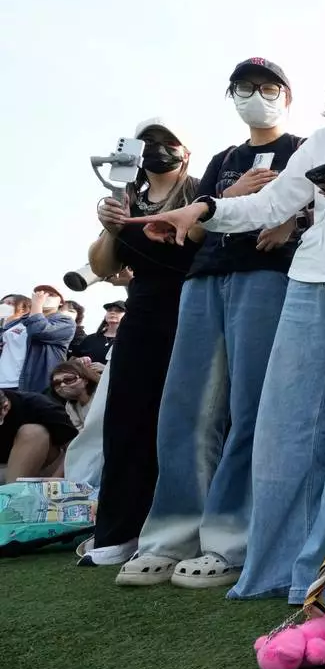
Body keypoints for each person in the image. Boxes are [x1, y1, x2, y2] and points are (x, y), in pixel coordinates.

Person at [132, 34, 325, 605]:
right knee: (282, 428)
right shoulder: (320, 139)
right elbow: (269, 207)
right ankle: (273, 565)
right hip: (307, 282)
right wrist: (204, 208)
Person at [116, 58, 305, 590]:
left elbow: (323, 204)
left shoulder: (303, 147)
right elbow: (197, 232)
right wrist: (220, 201)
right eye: (244, 88)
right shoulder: (224, 158)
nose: (257, 96)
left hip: (268, 277)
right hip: (202, 281)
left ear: (287, 97)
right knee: (184, 409)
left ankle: (230, 539)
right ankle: (170, 535)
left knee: (251, 408)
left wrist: (288, 217)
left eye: (269, 87)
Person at [80, 118, 200, 567]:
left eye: (167, 142)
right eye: (147, 142)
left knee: (188, 424)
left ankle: (184, 529)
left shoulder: (202, 192)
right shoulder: (123, 199)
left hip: (196, 312)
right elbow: (102, 264)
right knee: (126, 422)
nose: (157, 149)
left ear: (186, 150)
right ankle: (118, 532)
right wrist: (111, 226)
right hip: (143, 316)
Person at [0, 286, 75, 393]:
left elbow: (38, 330)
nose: (45, 296)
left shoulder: (65, 322)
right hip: (2, 382)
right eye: (41, 293)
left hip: (28, 386)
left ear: (61, 303)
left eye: (51, 295)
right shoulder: (20, 320)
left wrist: (37, 306)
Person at [0, 387, 77, 483]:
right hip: (3, 469)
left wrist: (54, 482)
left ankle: (12, 493)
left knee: (33, 432)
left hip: (46, 470)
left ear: (5, 408)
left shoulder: (40, 406)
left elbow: (75, 449)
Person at [47, 359, 101, 429]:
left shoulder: (103, 395)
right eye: (56, 383)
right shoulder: (70, 406)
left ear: (85, 380)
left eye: (69, 379)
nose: (62, 385)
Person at [72, 301, 124, 366]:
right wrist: (79, 360)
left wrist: (106, 369)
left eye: (118, 311)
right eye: (109, 310)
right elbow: (72, 359)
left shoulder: (131, 341)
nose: (112, 312)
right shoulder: (90, 339)